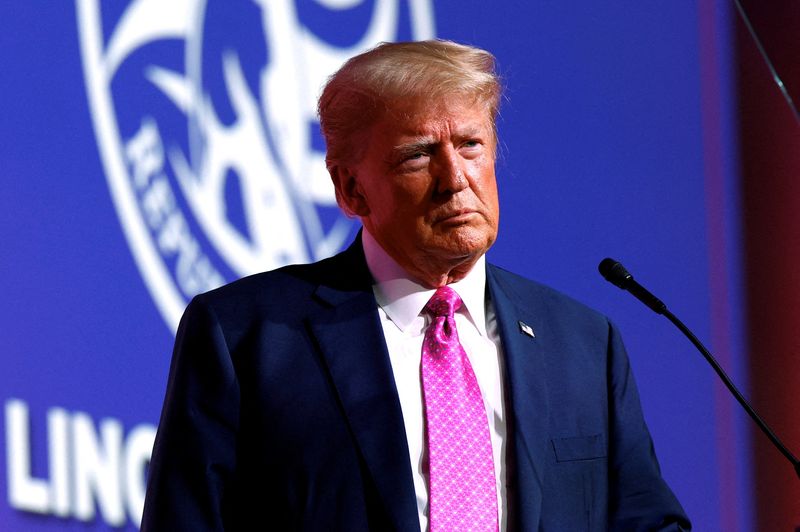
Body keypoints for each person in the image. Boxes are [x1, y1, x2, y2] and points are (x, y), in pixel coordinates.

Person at [141, 40, 690, 531]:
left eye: (471, 145)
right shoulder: (248, 334)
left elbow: (644, 522)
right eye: (419, 154)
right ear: (351, 188)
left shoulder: (582, 343)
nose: (456, 180)